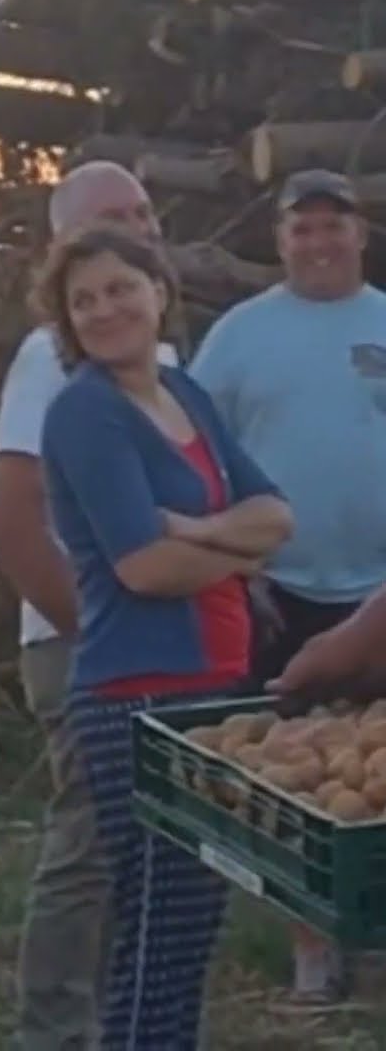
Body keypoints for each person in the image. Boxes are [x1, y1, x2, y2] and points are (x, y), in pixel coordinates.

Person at [37, 225, 291, 1049]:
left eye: (120, 288)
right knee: (154, 932)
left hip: (215, 683)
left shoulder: (188, 397)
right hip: (138, 695)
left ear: (158, 290)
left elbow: (277, 518)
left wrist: (196, 527)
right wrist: (234, 546)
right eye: (84, 301)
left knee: (191, 927)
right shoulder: (86, 412)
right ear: (68, 324)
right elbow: (142, 568)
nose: (105, 310)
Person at [0, 162, 179, 1050]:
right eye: (114, 215)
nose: (140, 223)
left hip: (156, 640)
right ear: (65, 245)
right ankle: (55, 1033)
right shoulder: (51, 354)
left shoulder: (161, 354)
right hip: (84, 644)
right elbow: (13, 518)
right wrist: (94, 633)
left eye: (144, 211)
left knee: (143, 850)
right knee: (89, 847)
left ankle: (123, 1023)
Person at [190, 167, 386, 1001]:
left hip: (382, 594)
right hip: (280, 590)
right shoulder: (239, 337)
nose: (319, 242)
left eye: (333, 226)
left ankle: (377, 936)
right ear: (278, 242)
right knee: (294, 774)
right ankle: (314, 945)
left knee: (373, 769)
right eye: (301, 229)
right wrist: (234, 560)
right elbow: (194, 456)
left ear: (361, 235)